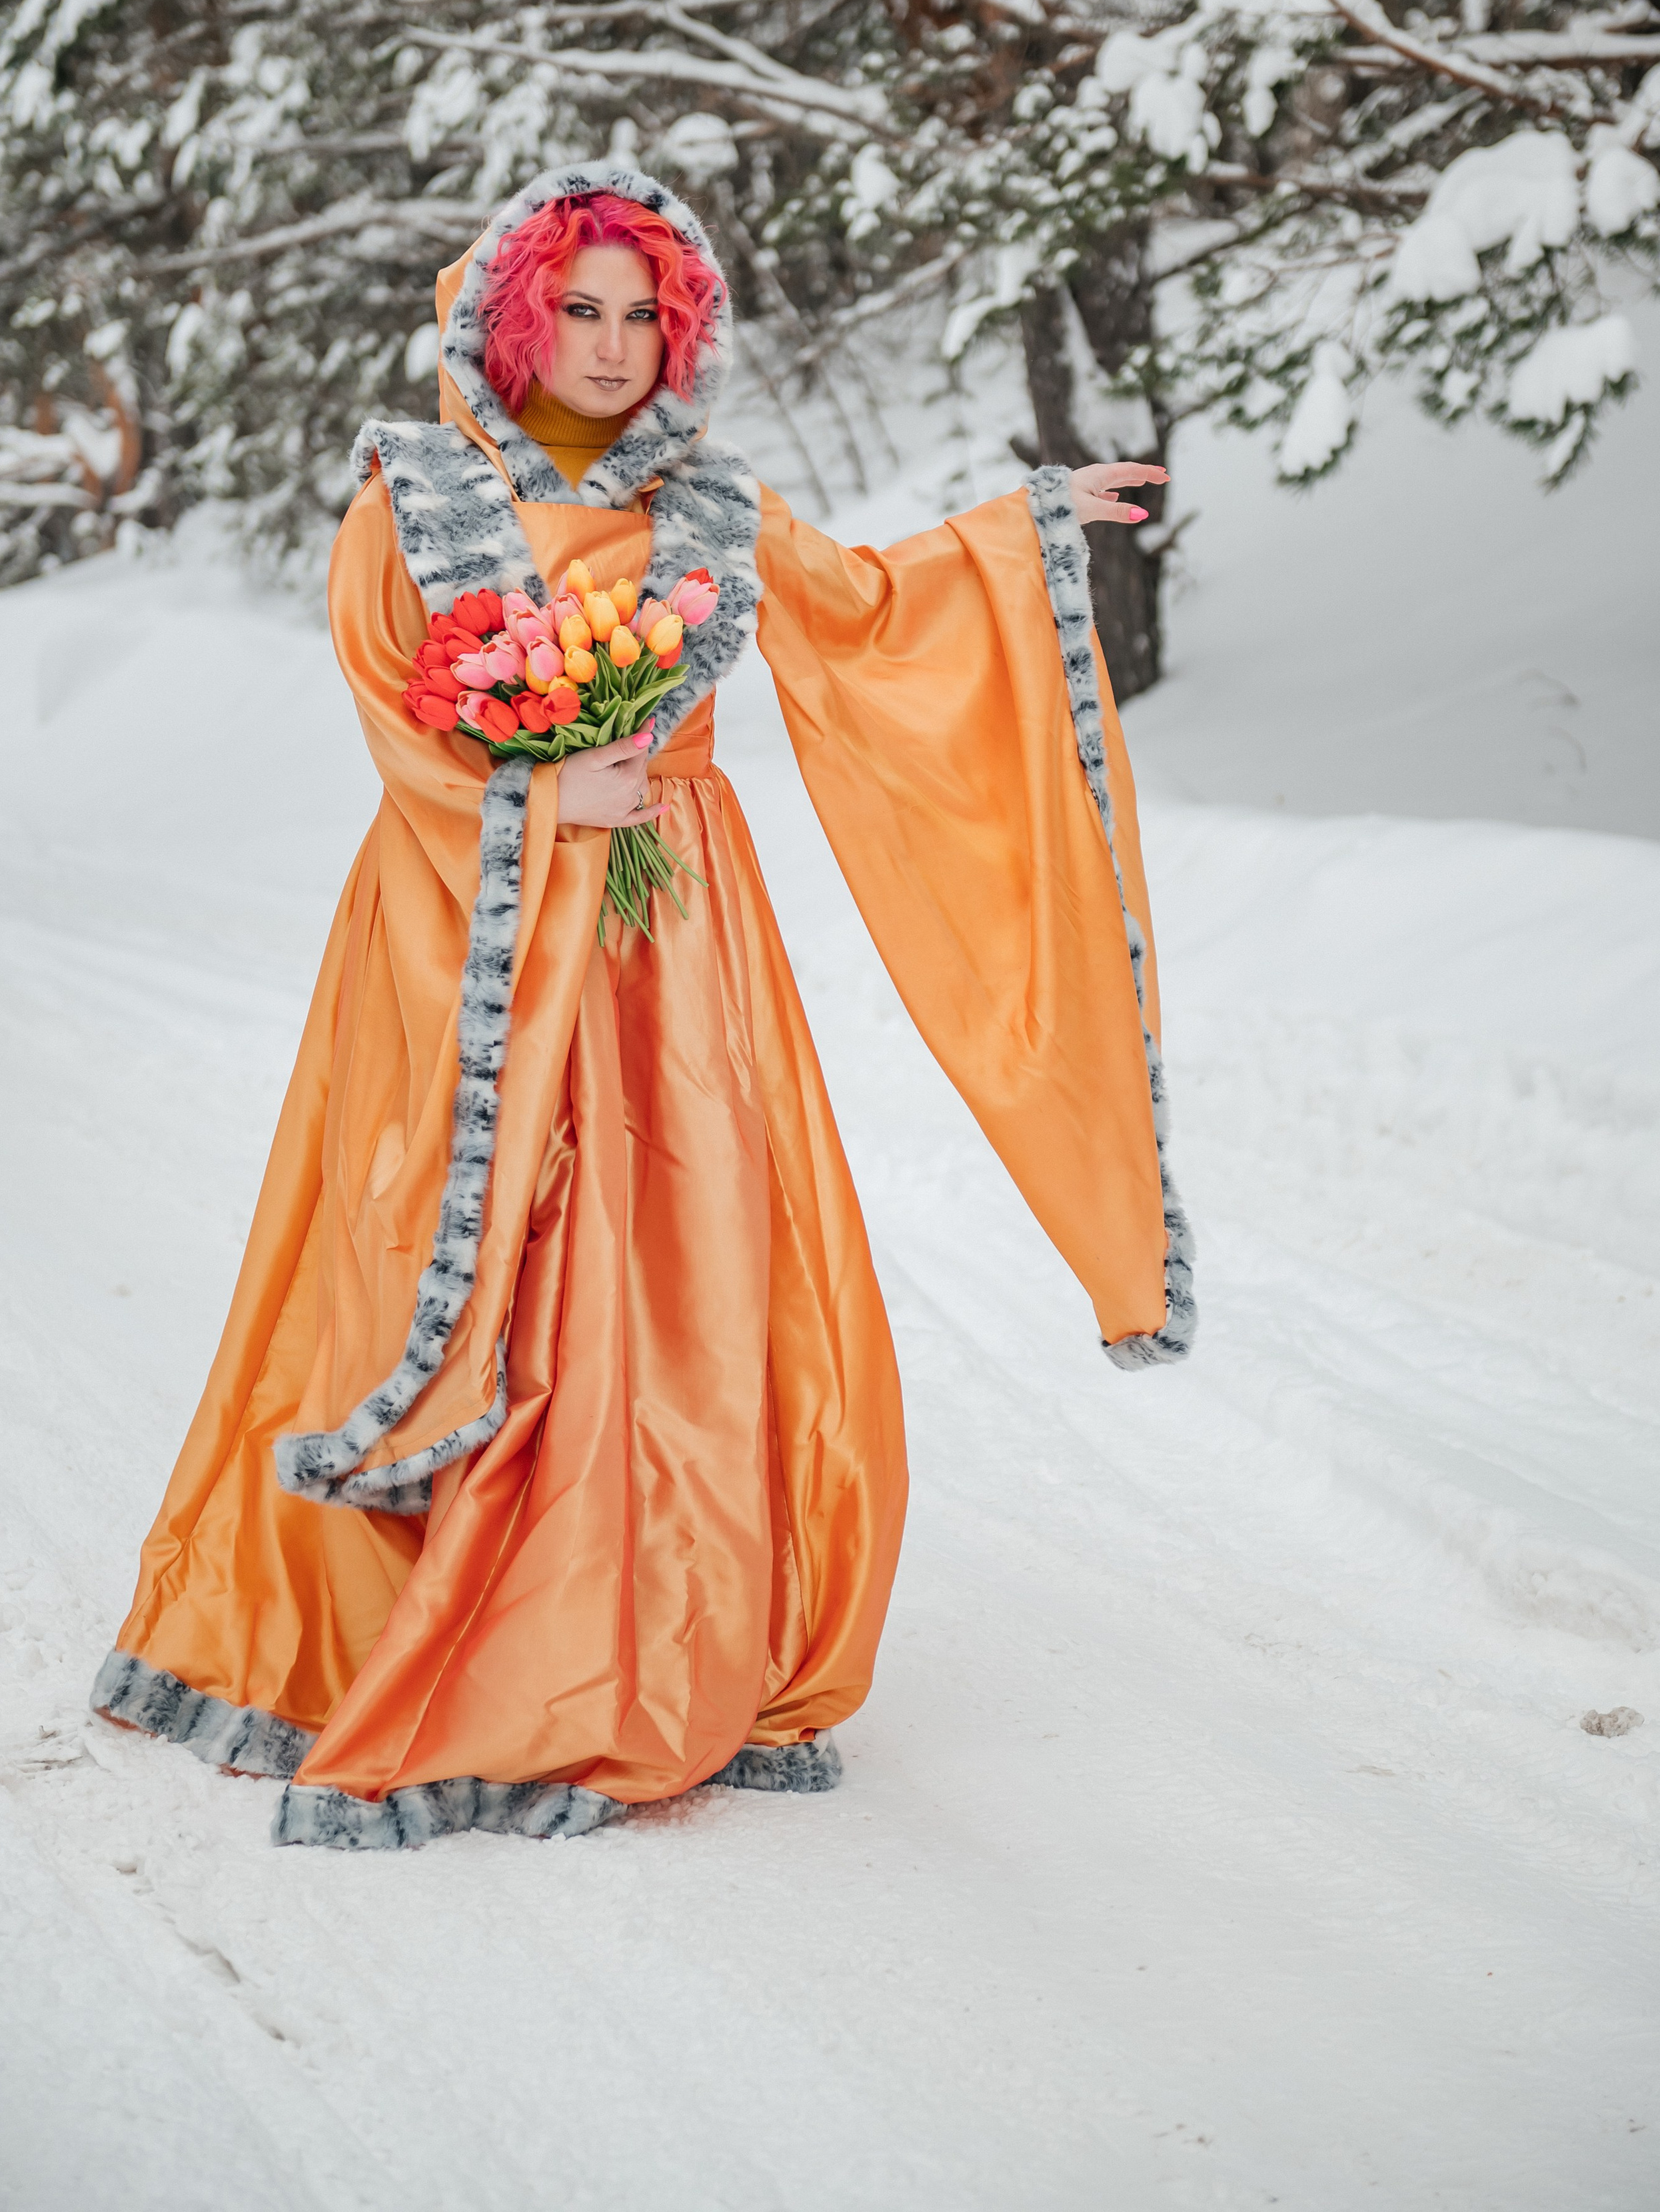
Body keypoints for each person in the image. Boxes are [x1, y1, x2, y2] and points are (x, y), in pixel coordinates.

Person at [91, 159, 1194, 1850]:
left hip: (671, 918)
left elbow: (875, 615)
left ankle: (636, 1600)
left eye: (641, 314)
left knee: (669, 1239)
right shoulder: (411, 491)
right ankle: (416, 1607)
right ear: (512, 317)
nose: (610, 345)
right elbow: (401, 729)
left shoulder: (715, 505)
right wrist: (540, 804)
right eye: (579, 310)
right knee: (457, 1228)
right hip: (456, 920)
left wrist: (1022, 533)